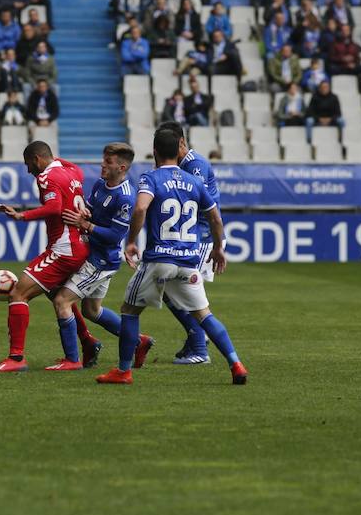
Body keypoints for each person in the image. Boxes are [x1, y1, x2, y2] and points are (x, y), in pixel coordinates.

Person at [95, 126, 248, 385]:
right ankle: (236, 364)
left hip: (159, 260)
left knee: (129, 311)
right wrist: (219, 248)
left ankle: (123, 371)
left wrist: (131, 241)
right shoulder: (195, 181)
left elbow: (140, 208)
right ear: (179, 149)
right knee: (205, 315)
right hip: (188, 261)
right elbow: (215, 217)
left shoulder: (150, 178)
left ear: (154, 152)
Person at [0, 142, 89, 372]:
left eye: (28, 164)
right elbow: (72, 166)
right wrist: (55, 160)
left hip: (63, 249)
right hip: (79, 244)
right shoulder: (72, 172)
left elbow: (54, 208)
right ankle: (88, 341)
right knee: (58, 294)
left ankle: (16, 359)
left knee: (17, 293)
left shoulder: (45, 177)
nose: (28, 170)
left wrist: (21, 215)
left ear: (36, 159)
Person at [51, 143, 142, 368]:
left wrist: (86, 225)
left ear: (121, 167)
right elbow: (91, 207)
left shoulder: (126, 198)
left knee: (62, 300)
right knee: (91, 311)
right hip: (93, 254)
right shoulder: (101, 184)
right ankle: (139, 342)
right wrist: (85, 212)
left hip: (100, 262)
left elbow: (114, 236)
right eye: (103, 160)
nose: (102, 165)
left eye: (108, 162)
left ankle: (72, 360)